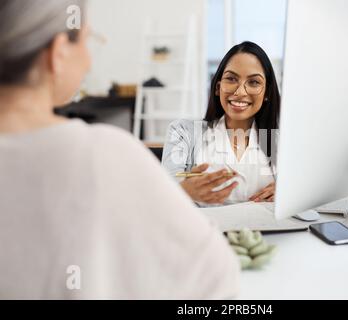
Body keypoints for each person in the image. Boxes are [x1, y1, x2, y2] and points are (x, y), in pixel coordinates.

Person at [0, 0, 239, 299]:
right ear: (58, 52)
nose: (89, 60)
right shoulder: (103, 154)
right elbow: (214, 275)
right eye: (87, 40)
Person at [163, 41, 281, 207]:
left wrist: (287, 192)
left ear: (267, 92)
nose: (240, 92)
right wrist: (184, 190)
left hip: (268, 232)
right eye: (231, 79)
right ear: (218, 87)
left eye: (254, 82)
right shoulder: (183, 132)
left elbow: (305, 188)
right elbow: (163, 192)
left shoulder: (280, 140)